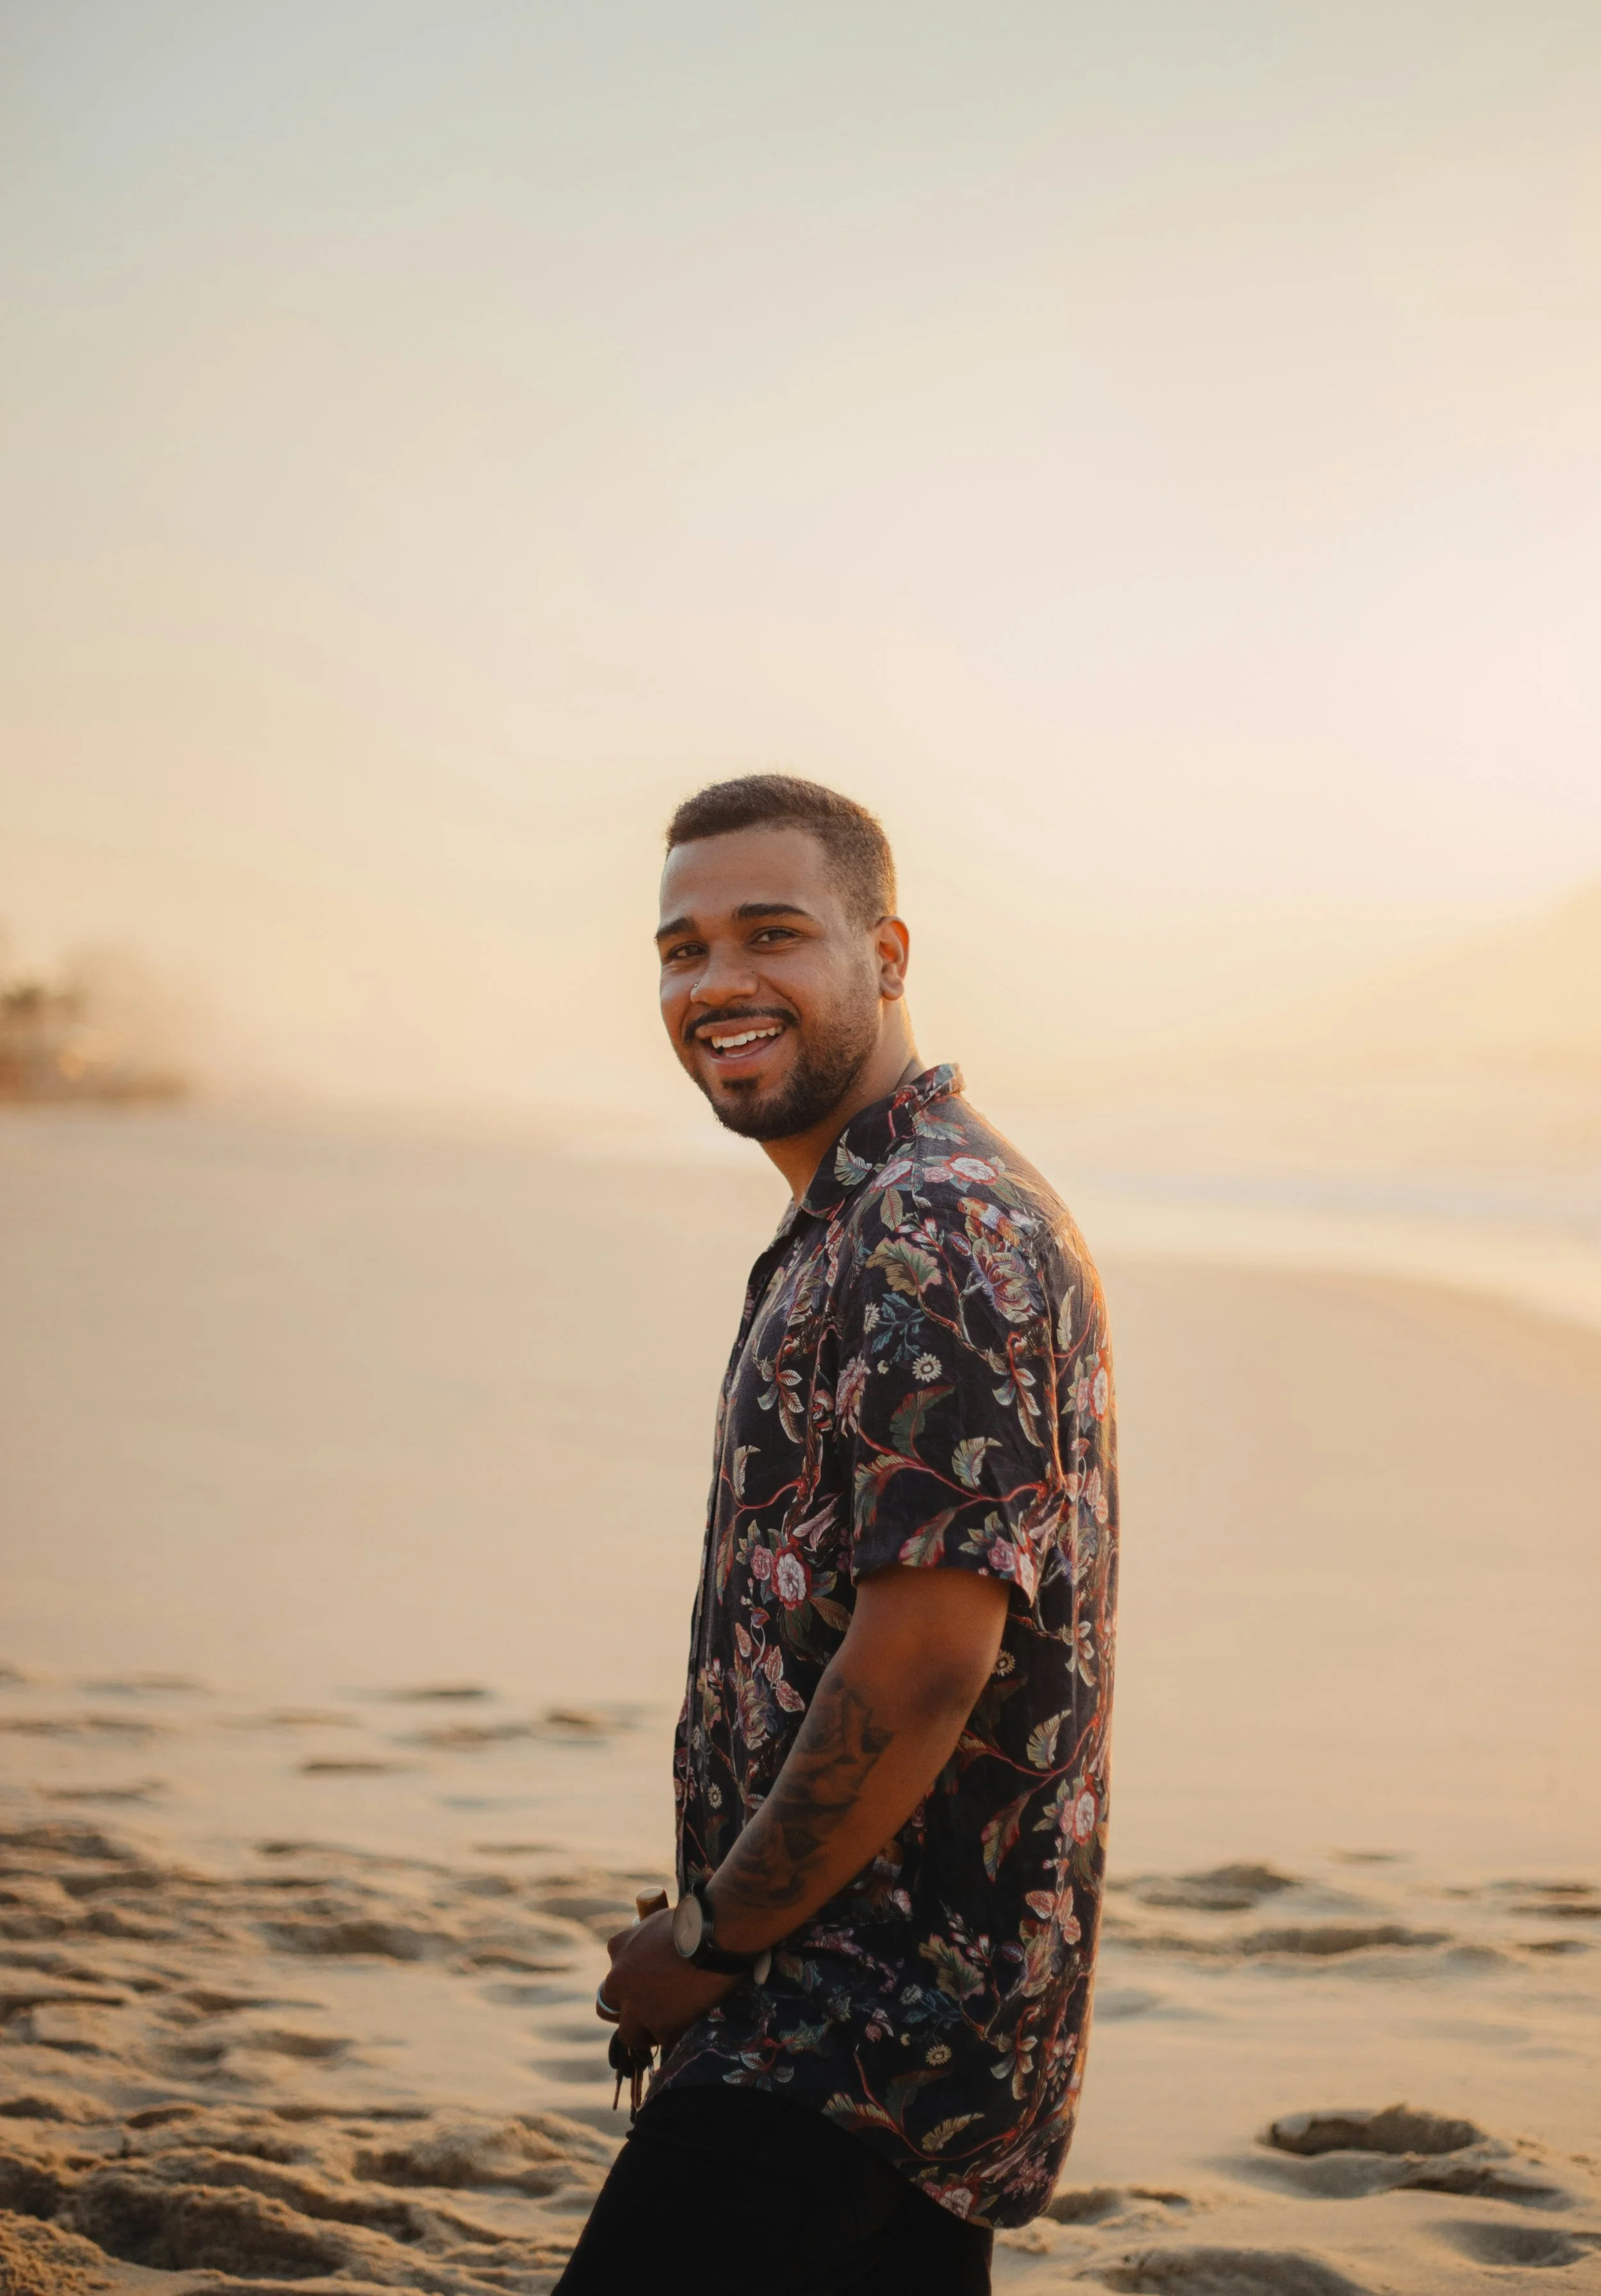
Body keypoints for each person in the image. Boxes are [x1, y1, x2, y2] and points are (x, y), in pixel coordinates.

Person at [555, 775, 1117, 2295]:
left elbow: (928, 1658)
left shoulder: (934, 1228)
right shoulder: (859, 1221)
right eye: (681, 950)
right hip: (857, 2021)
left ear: (886, 953)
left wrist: (713, 1939)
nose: (715, 983)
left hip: (852, 2037)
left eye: (770, 933)